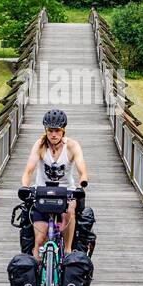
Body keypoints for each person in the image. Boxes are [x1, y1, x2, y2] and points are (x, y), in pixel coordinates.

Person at [20, 108, 88, 261]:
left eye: (57, 131)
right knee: (40, 239)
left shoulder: (72, 146)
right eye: (50, 131)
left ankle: (68, 249)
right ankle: (36, 267)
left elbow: (82, 170)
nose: (53, 134)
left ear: (63, 131)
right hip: (42, 191)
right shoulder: (40, 145)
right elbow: (28, 171)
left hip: (66, 192)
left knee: (70, 209)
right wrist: (25, 187)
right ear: (46, 130)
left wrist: (81, 184)